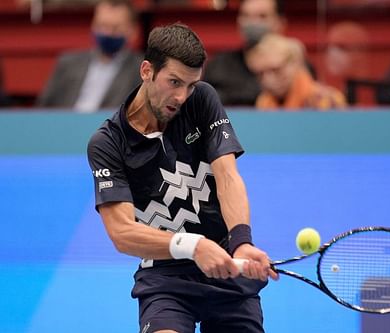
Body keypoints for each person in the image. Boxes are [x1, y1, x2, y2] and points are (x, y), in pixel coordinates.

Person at [87, 23, 278, 333]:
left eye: (190, 85)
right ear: (146, 70)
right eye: (174, 81)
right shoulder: (108, 143)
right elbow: (122, 233)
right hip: (165, 277)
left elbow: (228, 175)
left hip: (226, 264)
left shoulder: (201, 99)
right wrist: (192, 246)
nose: (181, 96)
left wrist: (242, 241)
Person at [37, 0, 142, 112]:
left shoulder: (141, 70)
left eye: (115, 28)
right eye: (102, 26)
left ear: (133, 31)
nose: (107, 33)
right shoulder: (68, 63)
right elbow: (42, 109)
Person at [203, 0, 287, 107]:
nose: (253, 23)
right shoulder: (218, 66)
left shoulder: (295, 67)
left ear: (280, 22)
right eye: (246, 15)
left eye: (262, 16)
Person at [246, 33, 346, 110]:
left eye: (276, 70)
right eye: (260, 74)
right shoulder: (264, 102)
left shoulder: (326, 100)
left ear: (295, 62)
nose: (267, 80)